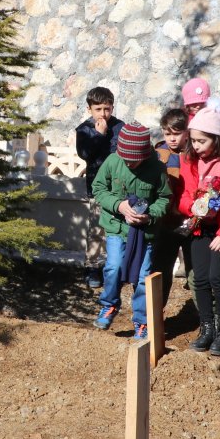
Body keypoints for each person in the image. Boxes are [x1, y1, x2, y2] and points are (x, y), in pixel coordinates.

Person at [91, 123, 171, 339]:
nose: (129, 163)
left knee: (144, 277)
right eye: (125, 159)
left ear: (144, 155)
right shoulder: (112, 161)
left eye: (133, 160)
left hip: (145, 233)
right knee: (112, 268)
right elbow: (98, 188)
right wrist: (119, 205)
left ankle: (142, 322)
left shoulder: (156, 168)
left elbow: (164, 198)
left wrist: (150, 214)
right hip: (117, 227)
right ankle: (109, 306)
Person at [178, 106, 220, 356]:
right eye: (193, 140)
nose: (195, 146)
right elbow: (184, 195)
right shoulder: (190, 159)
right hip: (199, 227)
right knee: (201, 279)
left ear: (216, 138)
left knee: (218, 277)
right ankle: (206, 327)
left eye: (201, 141)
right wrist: (192, 207)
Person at [76, 86, 125, 289]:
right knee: (96, 229)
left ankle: (119, 268)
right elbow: (85, 154)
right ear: (90, 109)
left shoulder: (120, 127)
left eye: (107, 109)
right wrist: (98, 134)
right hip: (98, 188)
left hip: (120, 188)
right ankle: (92, 267)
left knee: (120, 229)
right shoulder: (84, 130)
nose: (103, 114)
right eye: (98, 109)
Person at [151, 108, 193, 308]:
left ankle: (205, 321)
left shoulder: (196, 153)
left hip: (192, 222)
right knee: (160, 271)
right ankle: (154, 320)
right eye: (168, 134)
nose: (172, 139)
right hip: (166, 223)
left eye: (177, 133)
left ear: (187, 132)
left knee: (196, 276)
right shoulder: (158, 153)